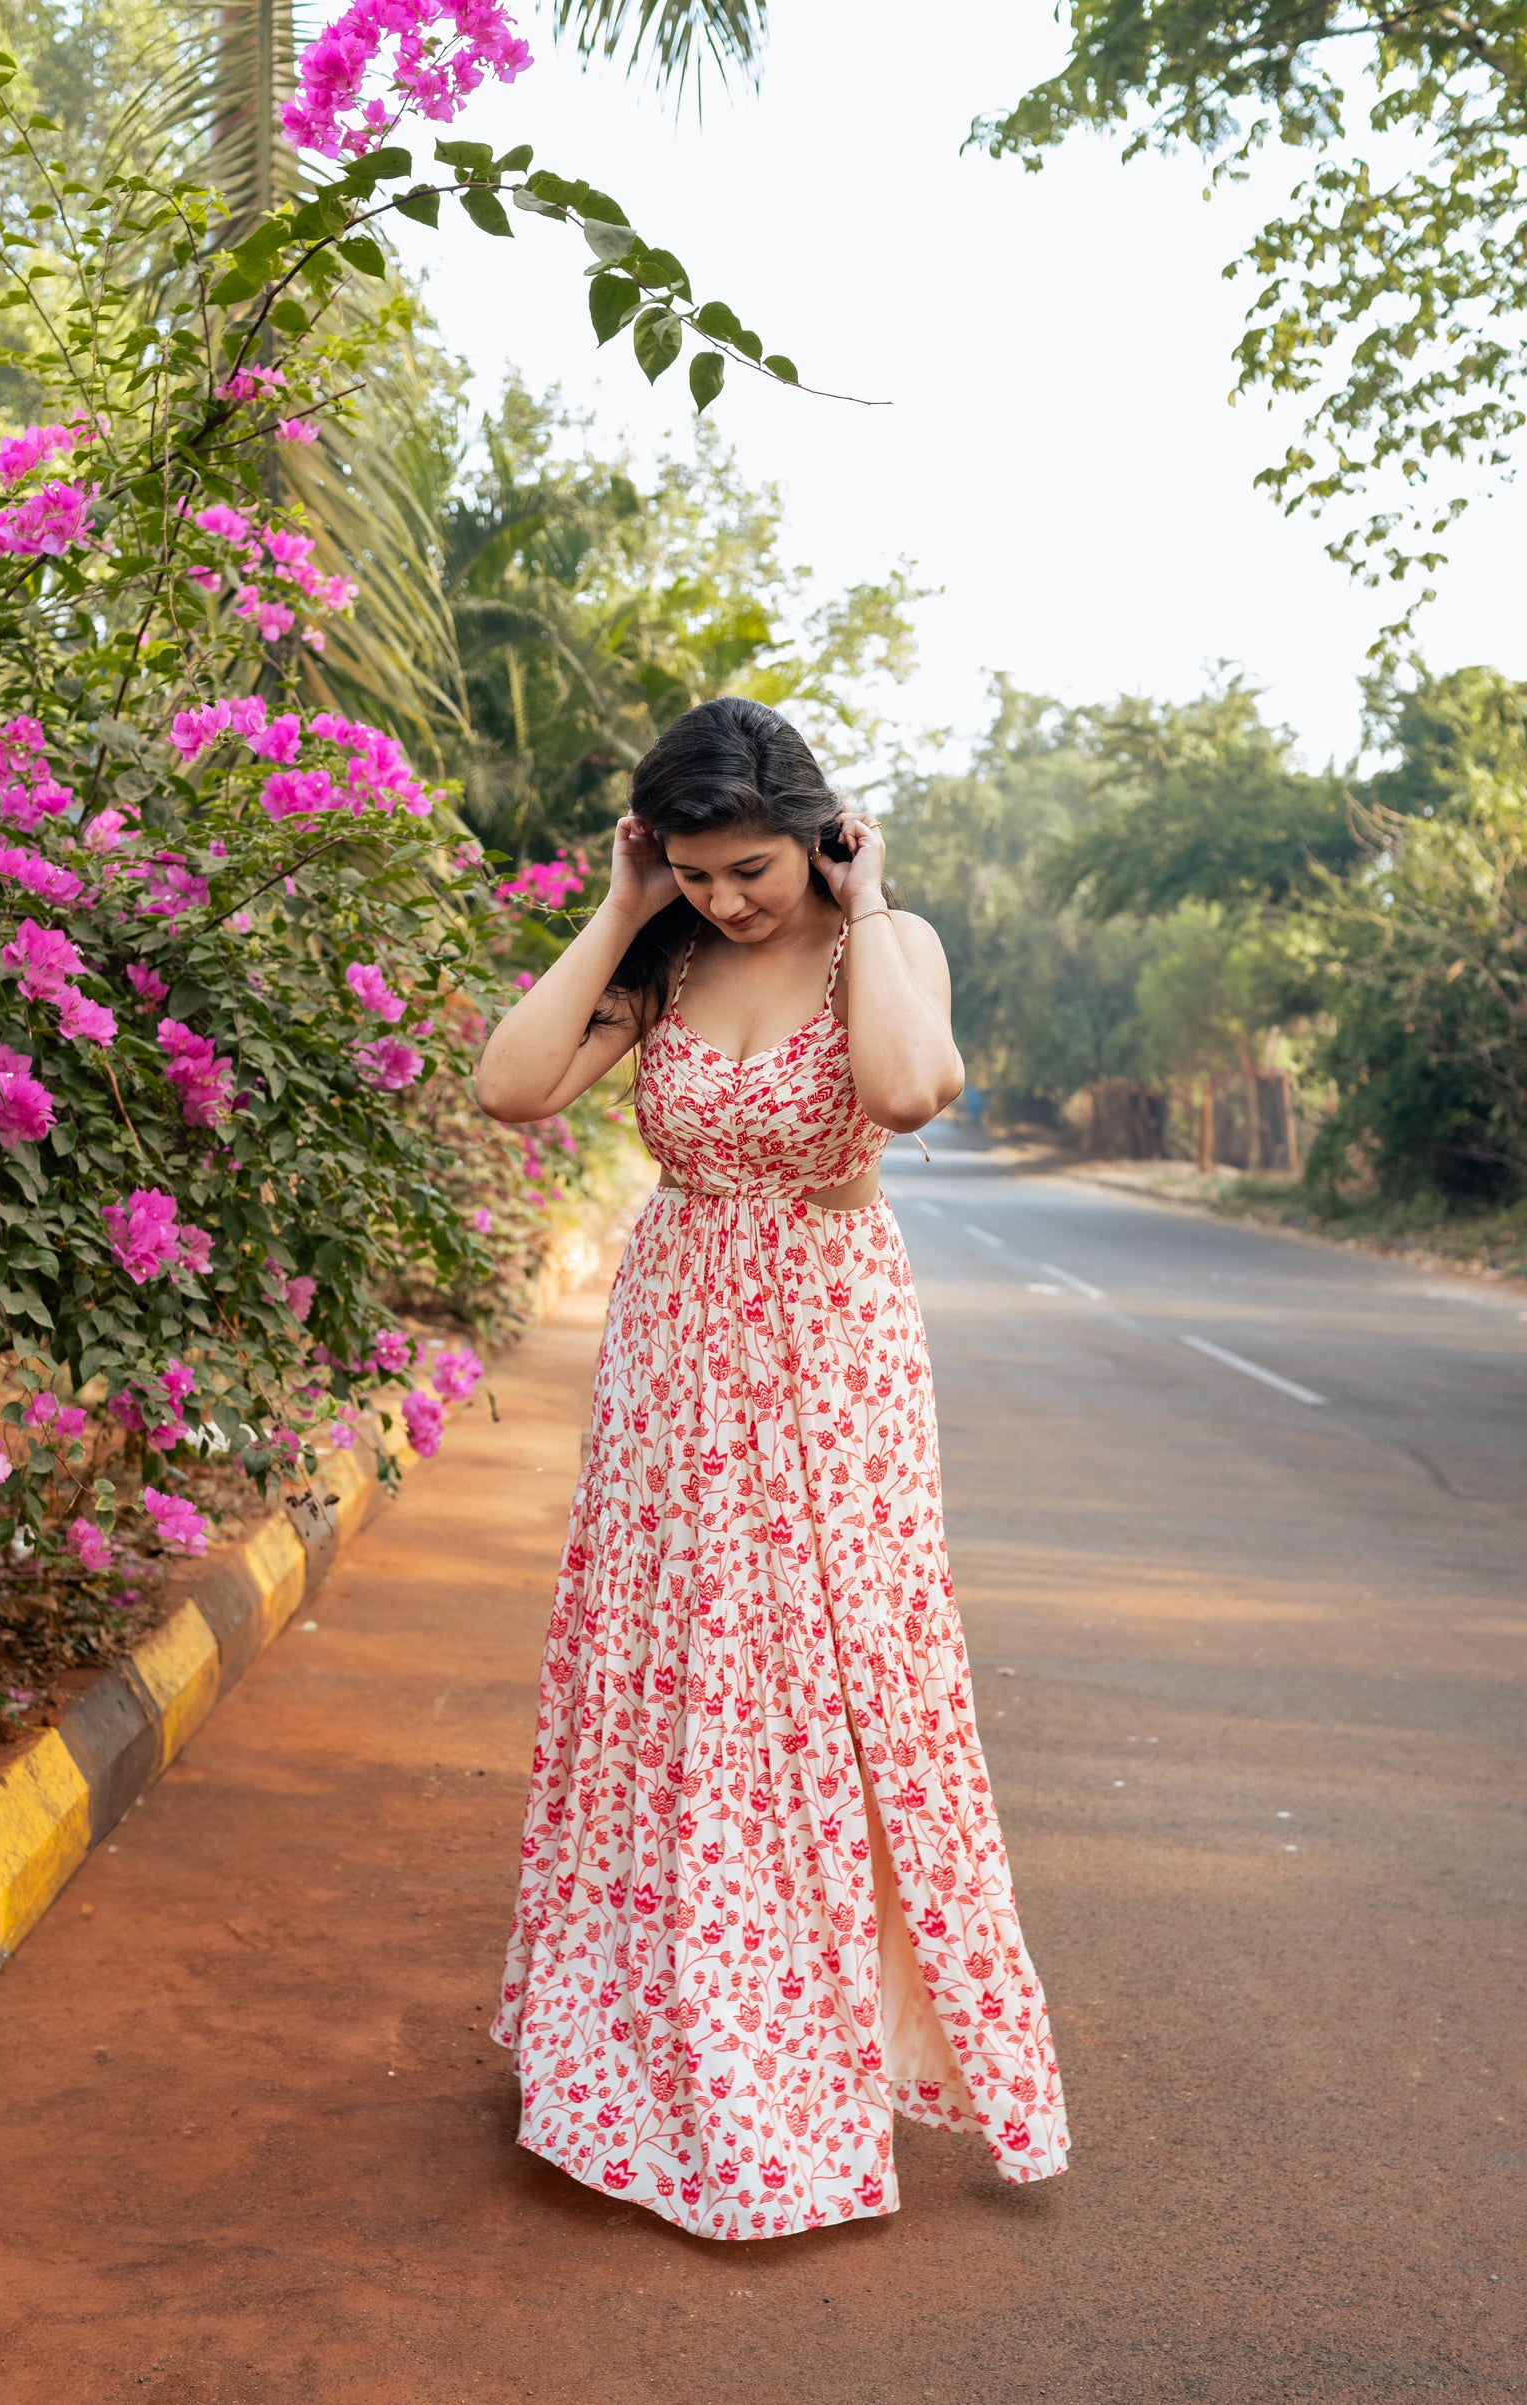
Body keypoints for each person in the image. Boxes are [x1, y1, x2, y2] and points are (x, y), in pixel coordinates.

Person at [476, 697, 1068, 2240]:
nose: (727, 898)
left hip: (828, 1364)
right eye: (695, 868)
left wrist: (860, 904)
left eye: (747, 868)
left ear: (814, 829)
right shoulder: (662, 958)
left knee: (821, 1684)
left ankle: (795, 2051)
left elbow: (901, 1093)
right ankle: (632, 2032)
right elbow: (511, 1086)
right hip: (674, 1363)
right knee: (665, 1672)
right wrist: (621, 908)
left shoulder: (891, 939)